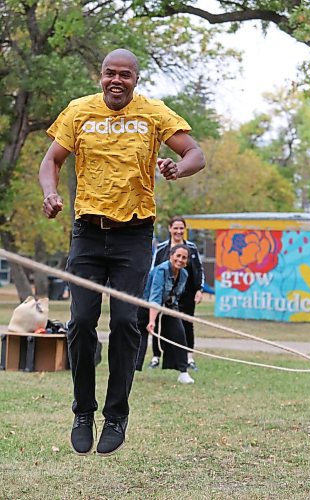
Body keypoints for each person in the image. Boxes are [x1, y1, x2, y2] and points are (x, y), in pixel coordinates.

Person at [38, 48, 205, 456]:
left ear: (136, 79)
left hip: (134, 234)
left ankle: (116, 416)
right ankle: (83, 411)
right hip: (88, 234)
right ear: (100, 75)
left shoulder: (154, 113)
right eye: (110, 73)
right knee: (80, 322)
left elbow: (194, 154)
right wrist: (51, 193)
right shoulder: (79, 112)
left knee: (128, 322)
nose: (117, 80)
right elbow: (51, 161)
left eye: (125, 75)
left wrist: (176, 169)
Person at [148, 216, 204, 371]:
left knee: (186, 323)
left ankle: (188, 358)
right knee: (157, 321)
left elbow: (199, 270)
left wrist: (199, 289)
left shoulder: (191, 248)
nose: (179, 231)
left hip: (185, 293)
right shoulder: (162, 249)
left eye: (181, 228)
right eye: (176, 228)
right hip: (163, 292)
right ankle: (156, 356)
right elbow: (154, 271)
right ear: (170, 228)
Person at [136, 244, 194, 384]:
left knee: (179, 333)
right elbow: (154, 297)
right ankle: (131, 369)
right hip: (144, 304)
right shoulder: (161, 270)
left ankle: (183, 372)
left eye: (184, 257)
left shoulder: (184, 274)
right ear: (171, 256)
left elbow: (174, 296)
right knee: (138, 336)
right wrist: (152, 321)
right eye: (178, 256)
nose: (180, 260)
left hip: (168, 306)